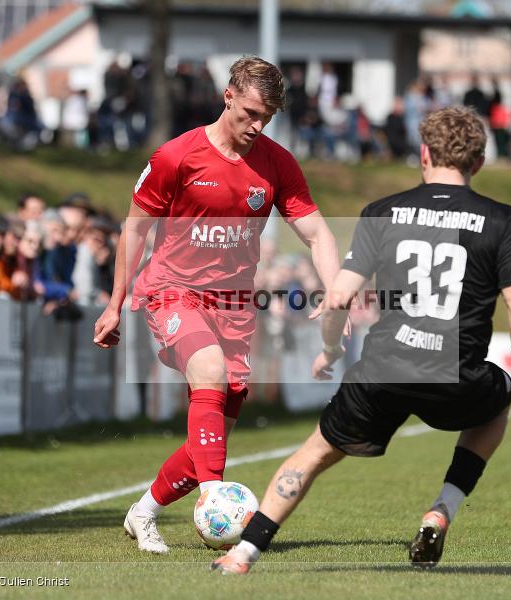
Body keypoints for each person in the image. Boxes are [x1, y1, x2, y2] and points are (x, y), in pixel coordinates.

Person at [212, 106, 511, 574]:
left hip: (383, 369)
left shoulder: (382, 212)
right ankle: (442, 508)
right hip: (456, 373)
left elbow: (338, 296)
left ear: (424, 154)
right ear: (479, 162)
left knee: (314, 453)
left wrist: (330, 350)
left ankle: (243, 553)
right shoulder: (502, 220)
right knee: (498, 402)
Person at [93, 56, 344, 555]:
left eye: (266, 118)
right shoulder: (176, 156)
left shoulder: (277, 163)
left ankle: (143, 511)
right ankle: (215, 499)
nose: (257, 125)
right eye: (250, 113)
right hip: (173, 290)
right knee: (207, 371)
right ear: (228, 95)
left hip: (234, 306)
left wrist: (334, 287)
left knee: (209, 440)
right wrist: (115, 303)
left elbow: (316, 233)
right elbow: (135, 231)